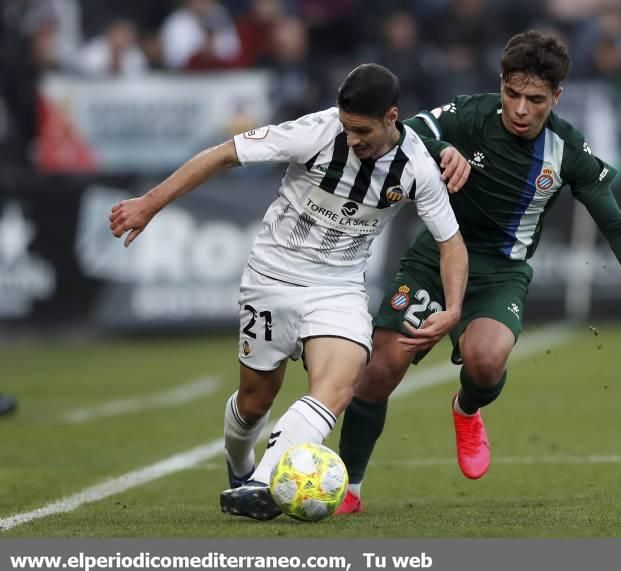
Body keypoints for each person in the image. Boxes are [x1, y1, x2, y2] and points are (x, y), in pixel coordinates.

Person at [335, 30, 621, 514]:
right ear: (500, 85)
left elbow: (615, 223)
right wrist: (441, 150)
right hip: (437, 256)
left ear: (556, 97)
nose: (520, 108)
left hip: (500, 271)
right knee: (382, 368)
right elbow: (408, 130)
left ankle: (467, 409)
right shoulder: (470, 115)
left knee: (487, 359)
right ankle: (349, 489)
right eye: (512, 94)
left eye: (534, 99)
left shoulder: (565, 150)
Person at [108, 63, 469, 521]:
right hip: (272, 278)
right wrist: (149, 203)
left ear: (392, 116)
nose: (352, 139)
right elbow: (224, 154)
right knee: (256, 398)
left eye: (361, 130)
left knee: (338, 384)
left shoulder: (416, 166)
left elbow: (451, 244)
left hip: (337, 288)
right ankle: (241, 467)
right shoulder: (315, 133)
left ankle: (264, 483)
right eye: (346, 127)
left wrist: (454, 307)